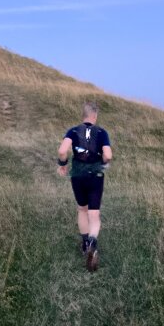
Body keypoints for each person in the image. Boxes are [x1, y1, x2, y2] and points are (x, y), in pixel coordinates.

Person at [57, 101, 112, 271]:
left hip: (78, 176)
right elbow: (108, 155)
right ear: (95, 116)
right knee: (94, 213)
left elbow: (62, 150)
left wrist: (63, 164)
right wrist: (103, 163)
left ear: (83, 115)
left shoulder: (73, 131)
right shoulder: (101, 132)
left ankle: (85, 243)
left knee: (82, 209)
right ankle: (93, 243)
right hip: (95, 176)